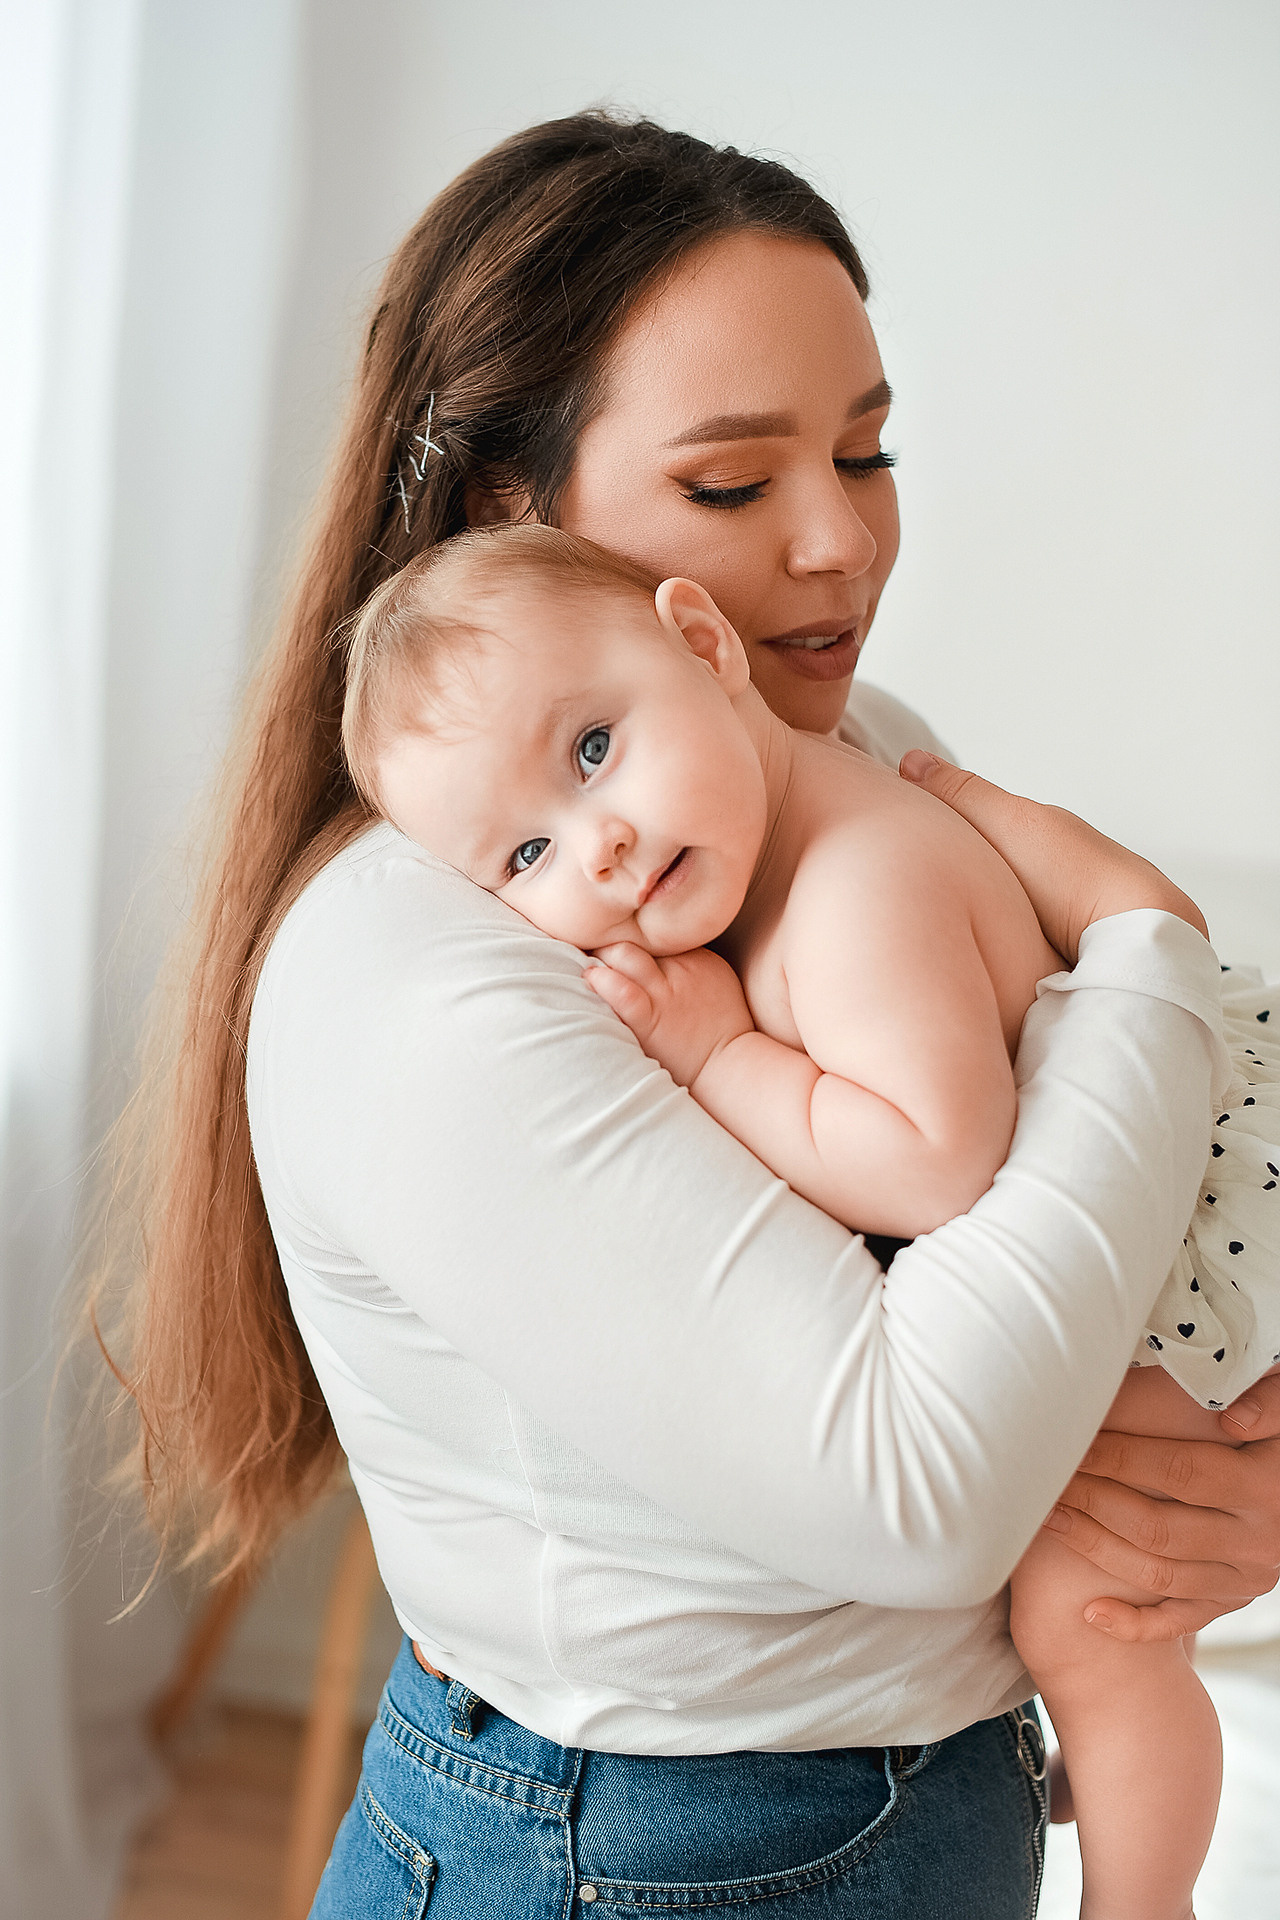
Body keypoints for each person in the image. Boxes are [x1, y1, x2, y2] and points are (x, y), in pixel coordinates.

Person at [112, 113, 1280, 1918]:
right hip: (649, 1854)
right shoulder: (432, 976)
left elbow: (1079, 1250)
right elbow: (923, 1488)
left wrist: (1224, 1472)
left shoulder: (833, 746)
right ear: (514, 513)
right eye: (736, 485)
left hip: (905, 1802)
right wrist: (1147, 942)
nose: (839, 542)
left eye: (869, 449)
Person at [340, 520, 1280, 1918]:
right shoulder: (765, 840)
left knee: (1092, 1612)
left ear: (705, 647)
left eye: (595, 748)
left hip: (1182, 1256)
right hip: (1125, 1215)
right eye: (525, 853)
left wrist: (722, 1060)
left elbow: (936, 1160)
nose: (595, 847)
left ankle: (1145, 1895)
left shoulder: (850, 887)